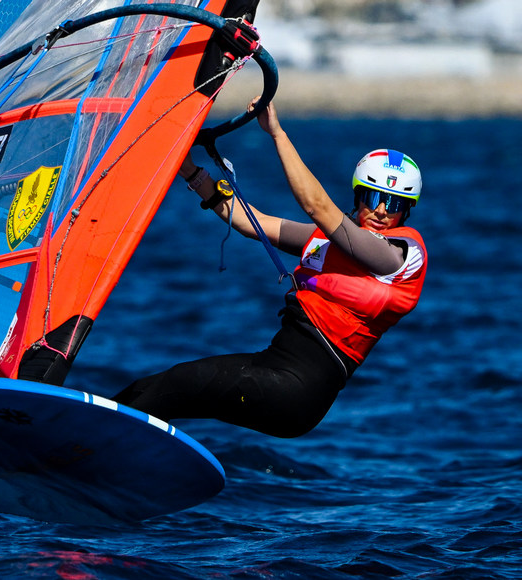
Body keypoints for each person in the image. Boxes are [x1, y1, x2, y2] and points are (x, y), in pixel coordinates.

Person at [112, 99, 427, 438]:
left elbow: (316, 205)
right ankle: (86, 445)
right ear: (358, 196)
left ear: (406, 211)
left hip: (297, 390)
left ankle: (92, 443)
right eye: (372, 197)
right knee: (151, 388)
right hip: (272, 367)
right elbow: (254, 223)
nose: (381, 210)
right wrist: (191, 171)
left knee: (179, 384)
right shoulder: (326, 242)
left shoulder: (399, 256)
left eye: (394, 204)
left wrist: (276, 133)